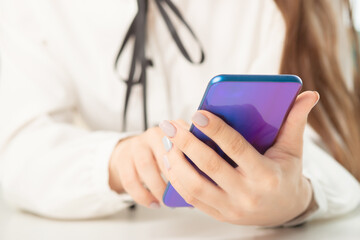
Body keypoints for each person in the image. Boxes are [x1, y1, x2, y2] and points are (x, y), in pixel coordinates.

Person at [0, 0, 359, 226]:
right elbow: (17, 148)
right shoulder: (34, 9)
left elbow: (333, 149)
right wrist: (117, 160)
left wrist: (297, 196)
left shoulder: (298, 8)